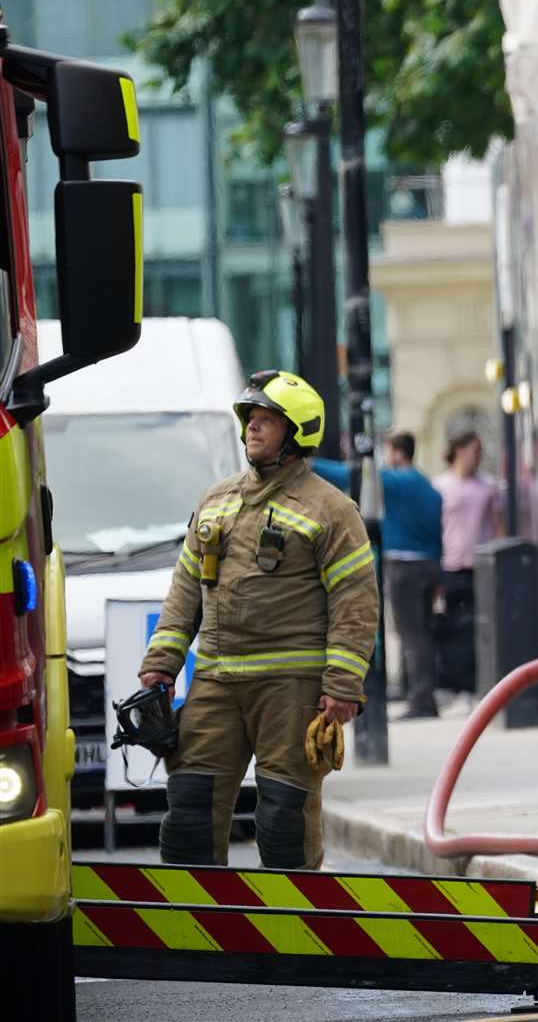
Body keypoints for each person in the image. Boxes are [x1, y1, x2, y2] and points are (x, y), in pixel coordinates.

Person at [138, 370, 379, 870]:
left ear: (297, 433)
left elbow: (355, 601)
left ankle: (293, 939)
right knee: (188, 814)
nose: (252, 427)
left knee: (283, 822)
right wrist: (161, 663)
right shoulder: (216, 501)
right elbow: (186, 589)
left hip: (291, 690)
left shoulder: (331, 511)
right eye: (250, 418)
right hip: (216, 681)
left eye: (266, 420)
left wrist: (343, 685)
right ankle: (193, 937)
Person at [312, 432, 444, 717]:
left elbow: (351, 475)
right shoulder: (427, 485)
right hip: (429, 565)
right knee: (420, 633)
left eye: (389, 451)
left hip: (403, 566)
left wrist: (309, 464)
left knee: (411, 634)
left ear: (397, 453)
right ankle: (418, 693)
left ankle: (421, 700)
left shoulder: (398, 481)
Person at [433, 431, 503, 694]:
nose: (480, 457)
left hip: (480, 567)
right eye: (476, 451)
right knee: (452, 626)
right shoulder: (439, 486)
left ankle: (478, 681)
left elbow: (498, 526)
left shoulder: (488, 486)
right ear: (460, 451)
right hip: (450, 566)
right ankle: (456, 682)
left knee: (481, 625)